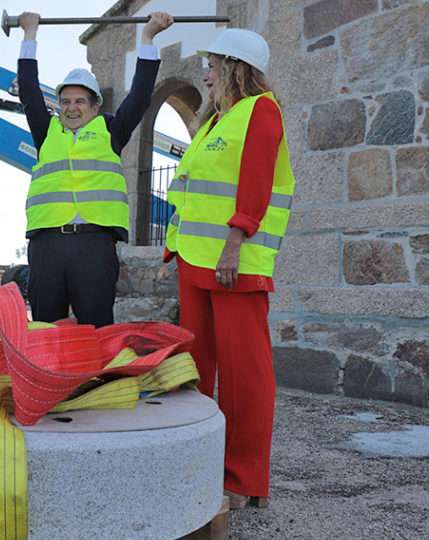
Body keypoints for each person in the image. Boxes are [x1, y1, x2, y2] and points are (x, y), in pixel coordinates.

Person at [161, 29, 294, 509]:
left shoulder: (261, 110)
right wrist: (173, 247)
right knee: (196, 369)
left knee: (244, 375)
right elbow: (192, 193)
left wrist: (235, 242)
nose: (206, 73)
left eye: (213, 64)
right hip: (197, 263)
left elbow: (256, 182)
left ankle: (242, 479)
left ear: (236, 66)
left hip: (232, 262)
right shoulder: (215, 121)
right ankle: (203, 464)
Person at [16, 11, 173, 326]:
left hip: (94, 245)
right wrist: (29, 36)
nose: (72, 108)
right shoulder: (47, 132)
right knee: (46, 327)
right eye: (66, 102)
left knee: (97, 326)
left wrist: (148, 37)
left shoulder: (111, 130)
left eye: (79, 102)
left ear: (95, 106)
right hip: (47, 245)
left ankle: (99, 377)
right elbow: (29, 93)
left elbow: (140, 96)